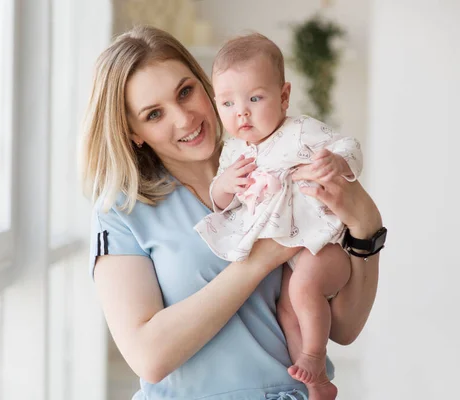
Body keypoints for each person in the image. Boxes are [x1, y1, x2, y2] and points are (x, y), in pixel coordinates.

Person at [81, 25, 384, 400]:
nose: (184, 119)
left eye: (186, 92)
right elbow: (149, 356)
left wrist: (366, 225)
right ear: (134, 132)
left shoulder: (278, 163)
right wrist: (258, 262)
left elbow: (344, 328)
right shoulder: (121, 211)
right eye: (155, 114)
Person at [193, 33, 361, 399]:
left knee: (303, 291)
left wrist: (337, 162)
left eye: (255, 98)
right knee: (286, 309)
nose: (242, 112)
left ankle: (316, 357)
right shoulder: (233, 151)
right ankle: (315, 382)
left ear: (284, 96)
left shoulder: (300, 132)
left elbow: (350, 146)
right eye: (227, 103)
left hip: (322, 245)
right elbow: (220, 202)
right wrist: (224, 184)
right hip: (285, 256)